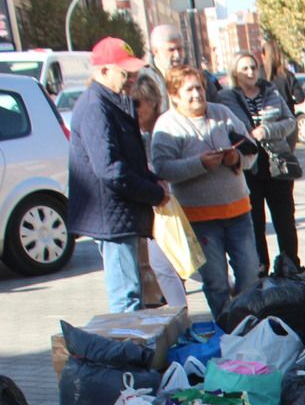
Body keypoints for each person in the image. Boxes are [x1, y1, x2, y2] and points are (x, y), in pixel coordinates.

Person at [67, 37, 168, 314]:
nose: (133, 78)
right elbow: (110, 169)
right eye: (126, 72)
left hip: (120, 215)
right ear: (103, 71)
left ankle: (135, 350)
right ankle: (130, 354)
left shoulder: (111, 103)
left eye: (134, 71)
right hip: (112, 219)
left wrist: (151, 180)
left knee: (131, 294)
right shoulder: (95, 108)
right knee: (127, 299)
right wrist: (154, 193)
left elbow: (129, 160)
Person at [151, 67, 260, 319]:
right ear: (174, 95)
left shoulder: (222, 113)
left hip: (238, 211)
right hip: (200, 219)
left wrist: (235, 158)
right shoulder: (167, 125)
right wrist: (200, 163)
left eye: (199, 87)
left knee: (250, 274)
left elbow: (251, 152)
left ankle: (248, 322)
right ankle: (225, 326)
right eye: (189, 89)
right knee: (216, 281)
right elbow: (162, 168)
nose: (197, 94)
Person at [221, 50, 300, 272]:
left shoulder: (271, 91)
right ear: (235, 72)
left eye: (253, 67)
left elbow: (289, 122)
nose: (250, 72)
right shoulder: (226, 98)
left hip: (277, 164)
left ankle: (290, 264)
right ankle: (260, 266)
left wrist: (266, 130)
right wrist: (246, 136)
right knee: (255, 222)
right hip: (248, 168)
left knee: (284, 219)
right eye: (244, 68)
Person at [128, 73, 190, 309]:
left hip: (172, 203)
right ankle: (180, 313)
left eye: (138, 103)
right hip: (156, 205)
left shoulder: (162, 128)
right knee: (166, 265)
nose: (134, 110)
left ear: (152, 102)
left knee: (178, 262)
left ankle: (182, 314)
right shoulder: (135, 131)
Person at [143, 23, 219, 115]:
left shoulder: (198, 76)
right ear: (155, 51)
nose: (177, 55)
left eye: (180, 49)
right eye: (171, 50)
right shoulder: (144, 80)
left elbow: (217, 109)